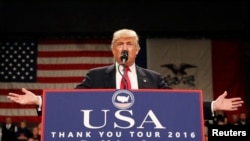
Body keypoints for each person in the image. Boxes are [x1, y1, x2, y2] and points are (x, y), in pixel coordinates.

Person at [7, 28, 244, 120]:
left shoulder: (153, 79)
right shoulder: (96, 76)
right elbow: (72, 102)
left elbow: (177, 104)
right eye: (119, 44)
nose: (124, 48)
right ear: (112, 50)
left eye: (129, 44)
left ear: (137, 50)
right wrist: (38, 100)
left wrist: (212, 105)